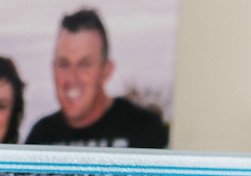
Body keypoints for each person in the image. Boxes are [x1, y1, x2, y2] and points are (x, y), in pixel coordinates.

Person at [24, 8, 169, 149]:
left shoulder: (144, 129)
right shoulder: (41, 137)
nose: (71, 78)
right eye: (64, 64)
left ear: (106, 71)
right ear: (53, 69)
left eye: (84, 64)